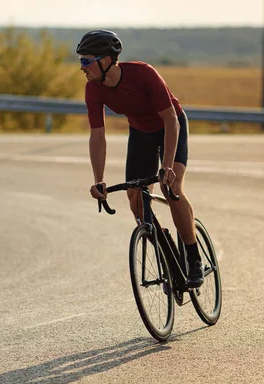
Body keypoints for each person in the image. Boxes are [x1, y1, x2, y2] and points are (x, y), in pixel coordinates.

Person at [77, 29, 204, 288]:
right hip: (141, 132)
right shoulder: (93, 89)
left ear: (106, 60)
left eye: (86, 60)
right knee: (135, 197)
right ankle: (166, 248)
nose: (82, 67)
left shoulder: (143, 74)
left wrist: (167, 166)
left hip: (171, 125)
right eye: (80, 61)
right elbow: (97, 136)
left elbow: (170, 120)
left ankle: (193, 257)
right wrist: (98, 180)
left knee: (172, 188)